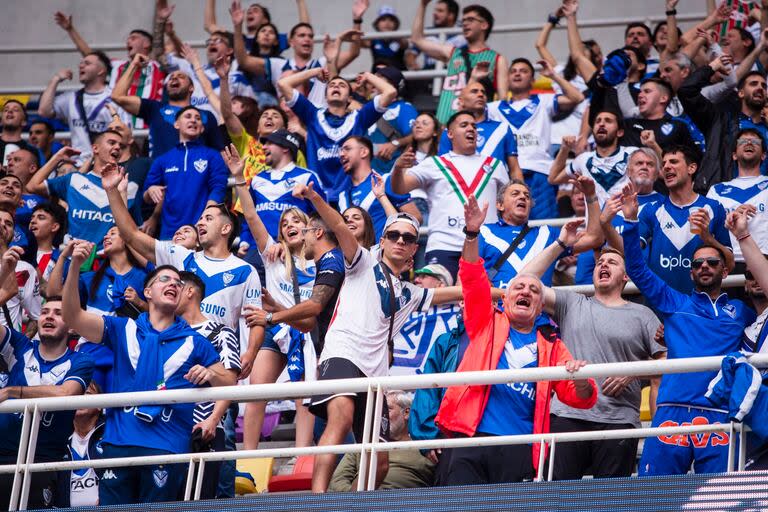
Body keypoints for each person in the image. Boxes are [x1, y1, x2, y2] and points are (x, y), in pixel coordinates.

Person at [292, 179, 461, 492]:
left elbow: (458, 292)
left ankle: (350, 502)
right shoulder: (362, 261)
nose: (399, 240)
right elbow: (340, 227)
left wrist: (502, 291)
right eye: (393, 235)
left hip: (375, 373)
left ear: (414, 251)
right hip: (342, 352)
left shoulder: (411, 293)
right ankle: (316, 501)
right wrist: (315, 196)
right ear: (382, 241)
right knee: (340, 419)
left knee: (380, 461)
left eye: (407, 238)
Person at [433, 195, 596, 486]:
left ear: (540, 302)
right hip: (470, 439)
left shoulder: (552, 344)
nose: (526, 291)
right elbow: (471, 277)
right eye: (518, 286)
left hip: (520, 446)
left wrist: (583, 380)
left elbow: (579, 396)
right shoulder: (485, 321)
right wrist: (472, 234)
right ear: (505, 298)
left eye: (535, 289)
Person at [61, 243, 235, 505]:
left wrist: (209, 372)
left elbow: (229, 381)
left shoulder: (194, 341)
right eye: (165, 279)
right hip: (118, 444)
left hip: (166, 447)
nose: (174, 284)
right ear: (148, 292)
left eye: (178, 282)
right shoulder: (123, 328)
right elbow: (73, 317)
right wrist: (75, 265)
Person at [620, 181, 755, 476]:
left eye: (711, 262)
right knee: (656, 499)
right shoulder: (674, 301)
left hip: (720, 413)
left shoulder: (743, 312)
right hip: (672, 409)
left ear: (724, 268)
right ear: (691, 272)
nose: (704, 266)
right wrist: (631, 221)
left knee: (719, 501)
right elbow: (638, 270)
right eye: (697, 264)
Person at [522, 229, 666, 480]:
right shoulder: (573, 302)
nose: (603, 265)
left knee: (609, 503)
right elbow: (526, 280)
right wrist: (560, 244)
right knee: (556, 501)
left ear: (626, 276)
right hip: (567, 415)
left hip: (619, 420)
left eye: (612, 262)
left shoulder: (643, 314)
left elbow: (666, 362)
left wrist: (632, 373)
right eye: (599, 262)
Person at [102, 163, 263, 378]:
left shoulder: (245, 271)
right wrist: (112, 191)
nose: (200, 223)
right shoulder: (181, 255)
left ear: (226, 229)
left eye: (208, 218)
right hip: (173, 353)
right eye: (200, 219)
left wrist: (251, 354)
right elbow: (131, 235)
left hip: (217, 358)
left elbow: (256, 320)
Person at [223, 144, 316, 450]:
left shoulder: (321, 260)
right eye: (284, 224)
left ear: (309, 229)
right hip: (273, 329)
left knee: (305, 397)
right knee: (256, 392)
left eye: (296, 222)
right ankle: (248, 460)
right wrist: (238, 178)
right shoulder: (272, 256)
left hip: (303, 328)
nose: (289, 226)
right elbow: (250, 215)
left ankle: (302, 457)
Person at [0, 260, 94, 510]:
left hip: (46, 462)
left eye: (59, 313)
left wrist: (13, 392)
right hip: (3, 458)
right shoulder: (19, 347)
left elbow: (66, 392)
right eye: (44, 312)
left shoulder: (81, 361)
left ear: (73, 326)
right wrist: (3, 286)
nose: (49, 317)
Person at [391, 110, 509, 277]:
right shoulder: (434, 163)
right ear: (450, 134)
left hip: (485, 245)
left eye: (474, 126)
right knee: (441, 301)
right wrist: (397, 168)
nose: (471, 129)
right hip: (443, 245)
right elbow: (400, 188)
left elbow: (508, 202)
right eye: (464, 125)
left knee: (480, 301)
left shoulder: (495, 165)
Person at [277, 67, 397, 202]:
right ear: (325, 96)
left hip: (348, 198)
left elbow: (390, 92)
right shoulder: (312, 115)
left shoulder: (360, 118)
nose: (336, 87)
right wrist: (314, 72)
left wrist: (368, 76)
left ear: (350, 98)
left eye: (342, 85)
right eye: (332, 85)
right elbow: (283, 84)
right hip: (317, 196)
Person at [487, 59, 585, 219]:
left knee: (543, 227)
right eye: (513, 71)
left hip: (540, 173)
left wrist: (553, 75)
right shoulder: (494, 107)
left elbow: (577, 97)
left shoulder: (543, 101)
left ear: (533, 80)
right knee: (509, 228)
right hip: (505, 174)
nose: (517, 73)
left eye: (523, 71)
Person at [175, 271, 241, 499]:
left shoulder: (221, 332)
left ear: (190, 291)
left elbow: (230, 382)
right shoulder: (161, 334)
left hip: (203, 429)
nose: (170, 291)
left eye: (176, 286)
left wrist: (213, 420)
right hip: (165, 431)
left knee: (201, 500)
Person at [635, 145, 732, 294]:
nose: (666, 167)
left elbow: (729, 264)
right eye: (664, 164)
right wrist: (607, 224)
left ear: (691, 168)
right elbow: (629, 250)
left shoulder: (714, 208)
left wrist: (708, 238)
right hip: (660, 304)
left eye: (673, 162)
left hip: (700, 305)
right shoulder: (651, 210)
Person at [232, 0, 363, 108]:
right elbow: (244, 61)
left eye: (310, 36)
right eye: (302, 35)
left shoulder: (324, 62)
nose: (307, 39)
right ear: (291, 41)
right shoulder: (278, 64)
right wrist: (238, 26)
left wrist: (357, 21)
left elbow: (353, 52)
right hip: (288, 118)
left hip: (317, 116)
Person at [479, 177, 603, 290]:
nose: (523, 197)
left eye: (527, 196)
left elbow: (594, 238)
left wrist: (590, 196)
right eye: (515, 194)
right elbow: (465, 278)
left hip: (537, 312)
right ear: (500, 205)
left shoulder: (547, 233)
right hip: (496, 310)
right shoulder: (485, 232)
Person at [27, 132, 142, 251]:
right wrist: (57, 158)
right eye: (112, 143)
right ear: (95, 148)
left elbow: (135, 232)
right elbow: (32, 186)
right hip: (74, 259)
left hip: (109, 263)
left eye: (121, 146)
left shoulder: (128, 187)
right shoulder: (74, 180)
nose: (118, 147)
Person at [411, 1, 508, 124]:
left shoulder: (498, 59)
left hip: (475, 128)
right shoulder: (453, 53)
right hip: (444, 124)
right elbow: (417, 39)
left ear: (484, 25)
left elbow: (503, 100)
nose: (465, 24)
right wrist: (422, 5)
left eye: (471, 19)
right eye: (464, 21)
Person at [111, 53, 223, 157]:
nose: (174, 78)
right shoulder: (154, 108)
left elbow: (218, 152)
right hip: (161, 176)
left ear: (191, 88)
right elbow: (117, 96)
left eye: (181, 76)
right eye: (171, 78)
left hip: (196, 176)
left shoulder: (206, 116)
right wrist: (134, 65)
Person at [679, 59, 768, 190]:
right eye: (754, 84)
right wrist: (711, 67)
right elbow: (686, 91)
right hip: (722, 195)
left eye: (764, 86)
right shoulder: (719, 121)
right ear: (741, 93)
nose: (760, 88)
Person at [142, 106, 229, 239]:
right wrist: (151, 190)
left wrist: (206, 216)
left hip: (201, 231)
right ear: (176, 124)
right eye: (188, 116)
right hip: (169, 233)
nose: (193, 120)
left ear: (202, 128)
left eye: (198, 118)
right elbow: (146, 197)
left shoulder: (213, 156)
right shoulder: (163, 160)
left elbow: (219, 187)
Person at [725, 209, 768, 469]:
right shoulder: (747, 323)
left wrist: (743, 236)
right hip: (756, 414)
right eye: (749, 275)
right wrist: (741, 235)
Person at [54, 10, 166, 110]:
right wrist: (70, 29)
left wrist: (161, 22)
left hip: (147, 126)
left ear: (147, 43)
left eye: (133, 38)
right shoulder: (117, 65)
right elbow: (90, 56)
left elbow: (160, 49)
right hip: (117, 125)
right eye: (127, 39)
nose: (128, 42)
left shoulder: (159, 65)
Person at [238, 129, 323, 254]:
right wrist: (244, 241)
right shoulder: (257, 179)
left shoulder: (307, 177)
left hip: (293, 250)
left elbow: (321, 216)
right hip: (257, 250)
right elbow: (249, 213)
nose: (264, 147)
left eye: (269, 143)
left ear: (285, 148)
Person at [329, 391, 435, 491]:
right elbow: (337, 480)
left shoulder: (424, 447)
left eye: (386, 410)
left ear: (406, 413)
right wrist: (356, 499)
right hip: (360, 502)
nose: (380, 417)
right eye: (377, 412)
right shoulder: (364, 444)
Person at [38, 51, 126, 165]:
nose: (81, 66)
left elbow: (124, 134)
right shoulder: (71, 98)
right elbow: (43, 111)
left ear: (101, 70)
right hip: (78, 164)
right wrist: (55, 79)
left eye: (87, 63)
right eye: (81, 63)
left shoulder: (115, 98)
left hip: (107, 164)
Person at [550, 110, 638, 208]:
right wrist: (564, 149)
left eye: (608, 121)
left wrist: (653, 145)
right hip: (594, 222)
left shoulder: (633, 154)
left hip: (625, 221)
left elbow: (656, 171)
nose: (601, 124)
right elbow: (553, 178)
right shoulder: (583, 159)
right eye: (597, 121)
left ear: (620, 132)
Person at [438, 81, 522, 180]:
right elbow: (443, 166)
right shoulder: (450, 131)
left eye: (483, 92)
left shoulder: (503, 128)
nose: (480, 94)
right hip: (460, 189)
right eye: (474, 91)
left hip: (496, 189)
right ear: (461, 101)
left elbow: (514, 169)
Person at [707, 128, 768, 266]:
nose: (749, 143)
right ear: (734, 155)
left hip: (764, 260)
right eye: (742, 141)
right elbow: (706, 230)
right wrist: (729, 216)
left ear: (764, 155)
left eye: (755, 141)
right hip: (728, 262)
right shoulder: (717, 190)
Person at [338, 136, 418, 239]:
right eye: (341, 150)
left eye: (347, 149)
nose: (341, 154)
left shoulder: (385, 180)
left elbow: (415, 217)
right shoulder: (343, 196)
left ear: (364, 152)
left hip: (383, 252)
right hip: (356, 254)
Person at [51, 382, 104, 508]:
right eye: (76, 393)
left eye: (87, 393)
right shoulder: (58, 440)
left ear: (100, 405)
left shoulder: (110, 435)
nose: (79, 398)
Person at [365, 66, 419, 173]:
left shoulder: (404, 108)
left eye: (378, 81)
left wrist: (395, 143)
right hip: (367, 175)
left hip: (390, 175)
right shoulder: (368, 108)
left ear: (390, 85)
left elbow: (417, 135)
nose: (372, 85)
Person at [0, 208, 41, 335]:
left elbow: (36, 317)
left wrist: (20, 347)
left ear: (13, 233)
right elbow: (8, 291)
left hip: (7, 351)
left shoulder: (25, 270)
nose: (2, 225)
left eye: (8, 224)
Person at [29, 202, 66, 286]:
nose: (33, 221)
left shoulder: (60, 259)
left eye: (41, 218)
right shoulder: (16, 249)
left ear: (54, 227)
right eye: (32, 217)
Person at [0, 100, 42, 165]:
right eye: (6, 110)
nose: (10, 111)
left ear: (24, 121)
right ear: (1, 121)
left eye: (15, 110)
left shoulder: (31, 151)